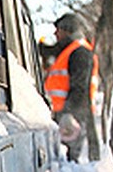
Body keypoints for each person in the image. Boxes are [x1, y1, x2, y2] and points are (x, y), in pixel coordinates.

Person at [39, 13, 100, 161]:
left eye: (58, 29)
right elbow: (50, 51)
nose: (55, 33)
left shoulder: (80, 53)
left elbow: (80, 88)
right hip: (66, 115)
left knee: (71, 163)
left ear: (69, 30)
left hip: (74, 117)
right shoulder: (69, 50)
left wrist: (70, 115)